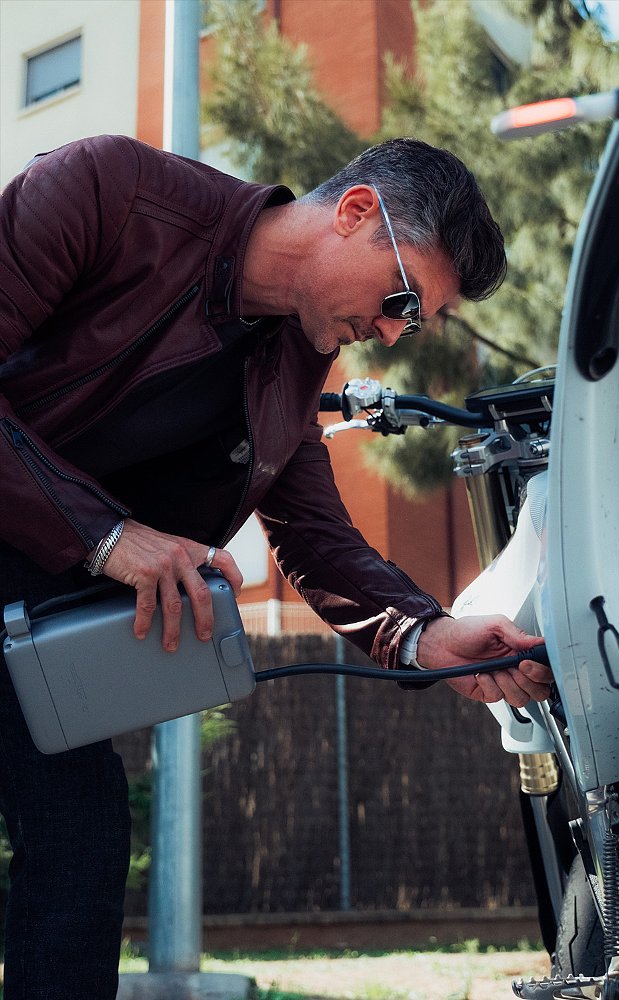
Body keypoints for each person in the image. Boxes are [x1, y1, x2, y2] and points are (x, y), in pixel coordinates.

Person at [0, 134, 551, 998]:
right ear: (355, 211)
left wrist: (427, 633)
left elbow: (312, 534)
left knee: (79, 837)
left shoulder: (299, 358)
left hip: (37, 598)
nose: (391, 334)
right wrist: (110, 537)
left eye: (411, 321)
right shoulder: (106, 190)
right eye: (400, 299)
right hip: (51, 539)